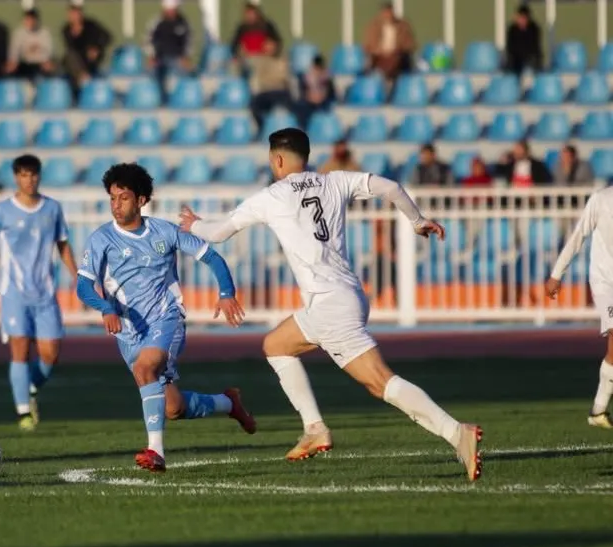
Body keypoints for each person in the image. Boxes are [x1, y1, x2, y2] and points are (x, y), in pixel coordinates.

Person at [178, 128, 483, 481]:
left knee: (380, 382)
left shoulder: (272, 196)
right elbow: (392, 188)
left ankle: (455, 432)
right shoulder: (334, 181)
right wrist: (416, 221)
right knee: (276, 344)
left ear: (277, 160)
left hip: (329, 305)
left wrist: (193, 224)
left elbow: (218, 233)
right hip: (348, 295)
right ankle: (314, 428)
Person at [76, 163, 256, 473]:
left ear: (142, 200)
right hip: (128, 332)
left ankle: (155, 452)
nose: (116, 205)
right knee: (173, 407)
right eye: (112, 198)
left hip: (166, 319)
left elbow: (211, 257)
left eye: (124, 198)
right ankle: (229, 402)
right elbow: (82, 285)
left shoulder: (165, 232)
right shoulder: (101, 238)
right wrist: (106, 308)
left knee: (146, 368)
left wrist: (226, 293)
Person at [0, 155, 78, 431]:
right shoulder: (1, 212)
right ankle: (23, 411)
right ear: (16, 177)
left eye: (34, 175)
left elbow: (63, 245)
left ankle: (30, 388)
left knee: (51, 353)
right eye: (24, 175)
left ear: (39, 176)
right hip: (13, 292)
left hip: (45, 292)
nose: (29, 180)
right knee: (20, 351)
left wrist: (78, 276)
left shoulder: (52, 208)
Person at [546, 186, 613, 429]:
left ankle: (598, 411)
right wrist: (556, 274)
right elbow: (578, 236)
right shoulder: (602, 199)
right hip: (605, 281)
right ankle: (598, 410)